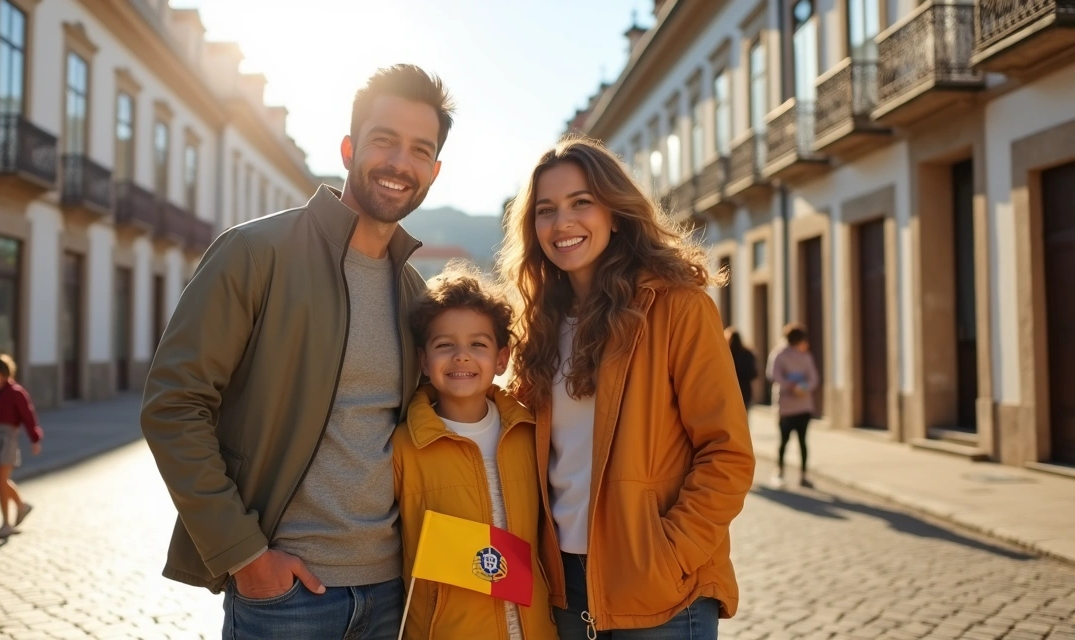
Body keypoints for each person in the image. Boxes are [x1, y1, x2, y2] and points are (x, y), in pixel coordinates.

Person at [140, 64, 454, 639]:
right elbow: (173, 405)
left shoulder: (413, 294)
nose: (398, 163)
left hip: (392, 594)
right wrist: (244, 554)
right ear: (349, 147)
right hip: (287, 597)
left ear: (433, 171)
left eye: (418, 150)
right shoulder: (254, 253)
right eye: (384, 140)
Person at [499, 136, 755, 639]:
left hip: (660, 590)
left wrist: (667, 554)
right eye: (545, 210)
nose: (562, 223)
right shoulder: (537, 327)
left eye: (581, 203)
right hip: (563, 586)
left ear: (614, 213)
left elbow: (728, 454)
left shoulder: (677, 307)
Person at [393, 267, 558, 640]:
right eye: (445, 345)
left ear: (502, 359)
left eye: (478, 345)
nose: (462, 357)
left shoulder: (530, 434)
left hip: (535, 629)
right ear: (423, 360)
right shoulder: (404, 446)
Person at [0, 354, 43, 539]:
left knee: (2, 481)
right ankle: (22, 506)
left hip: (7, 439)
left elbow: (28, 415)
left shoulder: (16, 392)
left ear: (0, 374)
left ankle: (6, 524)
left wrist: (34, 439)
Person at [766, 323, 819, 489]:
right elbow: (774, 375)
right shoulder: (781, 354)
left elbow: (813, 378)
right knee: (792, 441)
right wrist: (796, 387)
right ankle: (791, 473)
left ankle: (789, 473)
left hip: (796, 405)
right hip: (792, 405)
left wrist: (799, 387)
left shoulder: (801, 355)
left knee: (793, 441)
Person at [726, 327, 758, 410]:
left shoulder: (726, 354)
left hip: (729, 389)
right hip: (745, 390)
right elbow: (754, 373)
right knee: (744, 414)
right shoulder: (747, 353)